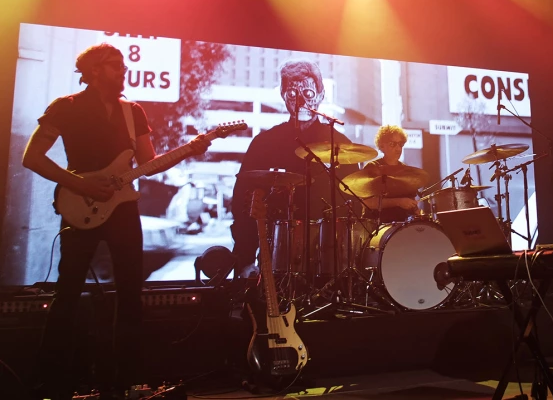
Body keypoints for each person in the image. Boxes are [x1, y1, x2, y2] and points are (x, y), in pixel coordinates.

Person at [22, 43, 209, 399]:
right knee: (67, 294)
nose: (123, 72)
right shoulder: (66, 107)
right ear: (94, 70)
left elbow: (148, 161)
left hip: (122, 209)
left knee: (130, 294)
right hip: (79, 205)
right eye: (115, 66)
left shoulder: (132, 111)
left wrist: (192, 147)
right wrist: (81, 183)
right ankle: (50, 380)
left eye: (123, 66)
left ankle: (126, 381)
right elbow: (32, 157)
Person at [230, 59, 356, 278]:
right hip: (275, 254)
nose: (299, 101)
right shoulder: (264, 143)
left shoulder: (339, 143)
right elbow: (243, 200)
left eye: (307, 93)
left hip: (328, 255)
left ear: (321, 94)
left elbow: (355, 199)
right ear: (283, 96)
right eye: (292, 94)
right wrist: (246, 258)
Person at [361, 125, 422, 224]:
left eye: (400, 144)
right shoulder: (372, 167)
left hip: (402, 226)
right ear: (382, 146)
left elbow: (412, 202)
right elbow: (367, 202)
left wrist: (419, 213)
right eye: (392, 144)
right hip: (377, 227)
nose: (398, 149)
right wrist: (398, 202)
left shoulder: (406, 171)